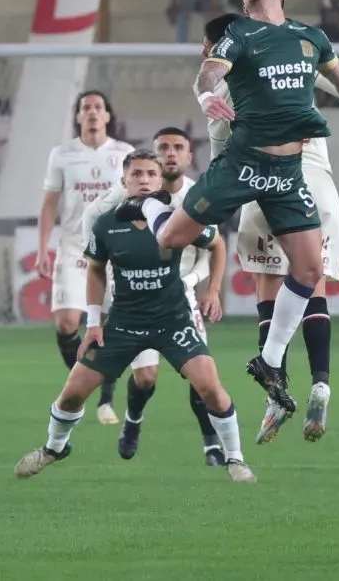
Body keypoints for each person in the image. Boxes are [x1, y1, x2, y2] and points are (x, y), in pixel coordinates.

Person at [117, 0, 339, 416]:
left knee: (310, 269)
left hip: (288, 171)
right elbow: (207, 75)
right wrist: (205, 97)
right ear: (243, 1)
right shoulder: (238, 33)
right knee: (169, 239)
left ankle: (270, 360)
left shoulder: (310, 38)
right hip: (242, 164)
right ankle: (148, 204)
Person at [197, 13, 339, 444]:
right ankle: (322, 383)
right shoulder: (292, 67)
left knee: (269, 288)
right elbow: (336, 82)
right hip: (318, 188)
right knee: (313, 286)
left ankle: (276, 393)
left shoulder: (225, 94)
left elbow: (221, 165)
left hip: (267, 186)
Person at [15, 149, 255, 483]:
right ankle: (55, 448)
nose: (143, 180)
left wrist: (212, 289)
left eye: (150, 174)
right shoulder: (106, 224)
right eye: (136, 174)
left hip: (173, 321)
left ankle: (236, 459)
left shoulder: (177, 220)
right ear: (124, 181)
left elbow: (216, 245)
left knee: (210, 388)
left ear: (161, 181)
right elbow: (96, 271)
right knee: (71, 394)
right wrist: (94, 323)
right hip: (124, 323)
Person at [81, 127, 229, 466]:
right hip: (136, 300)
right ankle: (133, 420)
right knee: (146, 378)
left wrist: (205, 286)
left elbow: (215, 245)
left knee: (201, 373)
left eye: (179, 147)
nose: (171, 153)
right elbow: (93, 227)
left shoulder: (198, 197)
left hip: (182, 297)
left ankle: (211, 446)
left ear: (190, 157)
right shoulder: (125, 197)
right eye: (163, 147)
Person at [39, 90, 134, 425]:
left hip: (113, 251)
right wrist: (42, 249)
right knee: (66, 323)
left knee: (107, 326)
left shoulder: (125, 154)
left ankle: (104, 397)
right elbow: (50, 204)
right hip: (73, 249)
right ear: (78, 117)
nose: (92, 113)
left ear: (108, 115)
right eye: (85, 108)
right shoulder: (62, 155)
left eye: (98, 107)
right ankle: (94, 381)